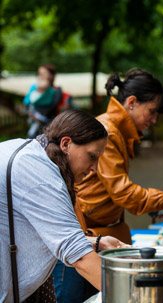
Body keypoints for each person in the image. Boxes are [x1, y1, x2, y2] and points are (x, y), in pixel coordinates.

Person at [0, 110, 126, 303]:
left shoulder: (29, 152)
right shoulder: (40, 175)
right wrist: (134, 297)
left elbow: (40, 229)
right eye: (92, 156)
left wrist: (95, 242)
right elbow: (79, 257)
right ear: (66, 143)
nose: (94, 168)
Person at [76, 68, 163, 244]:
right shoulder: (106, 132)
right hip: (88, 232)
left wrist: (156, 204)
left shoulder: (116, 131)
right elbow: (124, 194)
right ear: (132, 102)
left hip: (105, 225)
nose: (154, 120)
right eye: (152, 111)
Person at [23, 64, 72, 139]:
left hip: (49, 127)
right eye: (39, 74)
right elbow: (27, 102)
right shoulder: (34, 88)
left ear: (52, 76)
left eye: (44, 73)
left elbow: (51, 107)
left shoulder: (56, 90)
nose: (41, 76)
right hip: (35, 126)